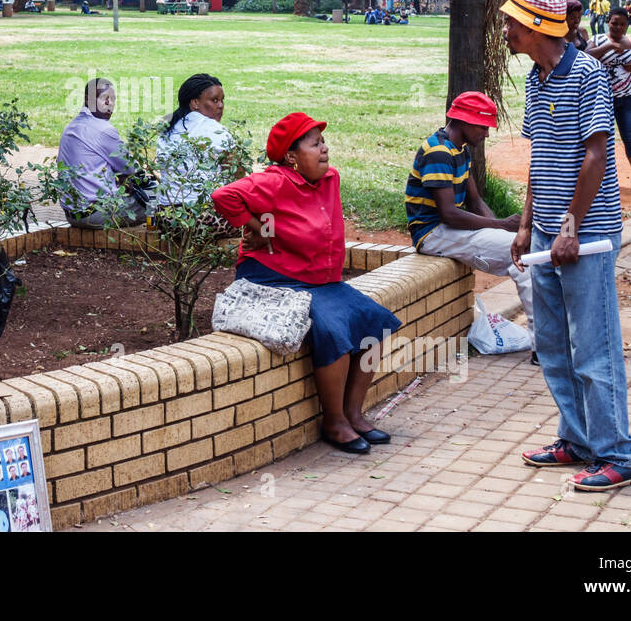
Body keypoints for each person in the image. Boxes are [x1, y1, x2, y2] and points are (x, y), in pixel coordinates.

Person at [501, 0, 631, 491]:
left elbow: (596, 156)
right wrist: (525, 226)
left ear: (538, 26)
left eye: (512, 22)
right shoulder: (537, 81)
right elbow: (541, 160)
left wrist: (570, 226)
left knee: (593, 348)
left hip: (586, 236)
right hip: (545, 234)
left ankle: (618, 455)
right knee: (555, 344)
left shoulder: (587, 75)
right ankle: (578, 440)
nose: (505, 30)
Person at [212, 113, 400, 454]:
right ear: (291, 158)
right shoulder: (273, 182)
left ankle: (354, 414)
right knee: (334, 331)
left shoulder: (330, 180)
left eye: (323, 142)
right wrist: (259, 228)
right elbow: (223, 196)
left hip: (319, 280)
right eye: (315, 144)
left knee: (374, 325)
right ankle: (334, 422)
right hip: (276, 278)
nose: (324, 149)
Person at [406, 91, 538, 362]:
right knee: (525, 259)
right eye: (483, 126)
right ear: (464, 122)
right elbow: (449, 214)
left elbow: (475, 202)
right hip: (432, 234)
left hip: (447, 230)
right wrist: (500, 225)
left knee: (525, 252)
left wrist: (504, 230)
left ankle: (545, 340)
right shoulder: (439, 152)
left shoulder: (459, 151)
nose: (486, 134)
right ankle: (544, 346)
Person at [56, 78, 146, 228]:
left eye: (113, 99)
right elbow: (130, 169)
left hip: (72, 215)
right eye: (104, 98)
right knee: (156, 201)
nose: (109, 103)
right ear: (88, 100)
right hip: (96, 215)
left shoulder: (71, 126)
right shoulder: (104, 129)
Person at [587, 8, 631, 191]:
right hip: (601, 99)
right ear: (607, 22)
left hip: (627, 99)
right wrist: (609, 47)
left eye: (622, 24)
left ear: (627, 25)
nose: (618, 27)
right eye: (614, 23)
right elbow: (586, 56)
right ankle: (599, 182)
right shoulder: (597, 40)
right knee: (600, 141)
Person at [155, 74, 234, 217]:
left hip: (166, 215)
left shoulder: (167, 128)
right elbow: (235, 177)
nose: (221, 105)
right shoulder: (218, 132)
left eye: (222, 100)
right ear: (195, 103)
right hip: (205, 216)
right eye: (214, 100)